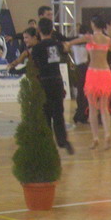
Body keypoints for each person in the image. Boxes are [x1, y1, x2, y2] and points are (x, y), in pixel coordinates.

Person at [31, 17, 75, 155]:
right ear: (52, 30)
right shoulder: (57, 45)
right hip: (57, 80)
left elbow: (35, 65)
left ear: (39, 30)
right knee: (58, 113)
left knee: (45, 114)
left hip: (44, 81)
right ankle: (63, 140)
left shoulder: (37, 48)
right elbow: (66, 50)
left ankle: (47, 142)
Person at [83, 15, 111, 150]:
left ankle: (95, 137)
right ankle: (107, 134)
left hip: (93, 72)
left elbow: (78, 41)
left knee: (92, 108)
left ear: (93, 24)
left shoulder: (90, 38)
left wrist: (69, 44)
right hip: (106, 73)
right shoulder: (107, 39)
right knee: (104, 107)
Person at [71, 23, 90, 124]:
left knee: (80, 91)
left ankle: (80, 113)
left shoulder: (75, 40)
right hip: (84, 67)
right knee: (85, 92)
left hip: (78, 67)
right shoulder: (87, 40)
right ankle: (81, 115)